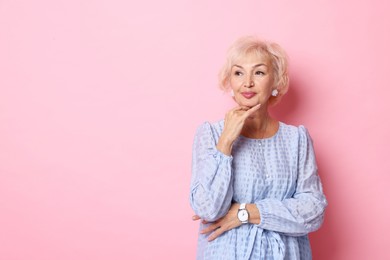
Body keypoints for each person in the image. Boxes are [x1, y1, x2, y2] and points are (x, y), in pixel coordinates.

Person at [189, 36, 327, 260]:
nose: (248, 83)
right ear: (230, 81)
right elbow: (207, 209)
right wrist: (226, 141)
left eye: (259, 72)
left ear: (275, 81)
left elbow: (313, 210)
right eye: (238, 72)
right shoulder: (211, 134)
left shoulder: (297, 139)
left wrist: (246, 213)